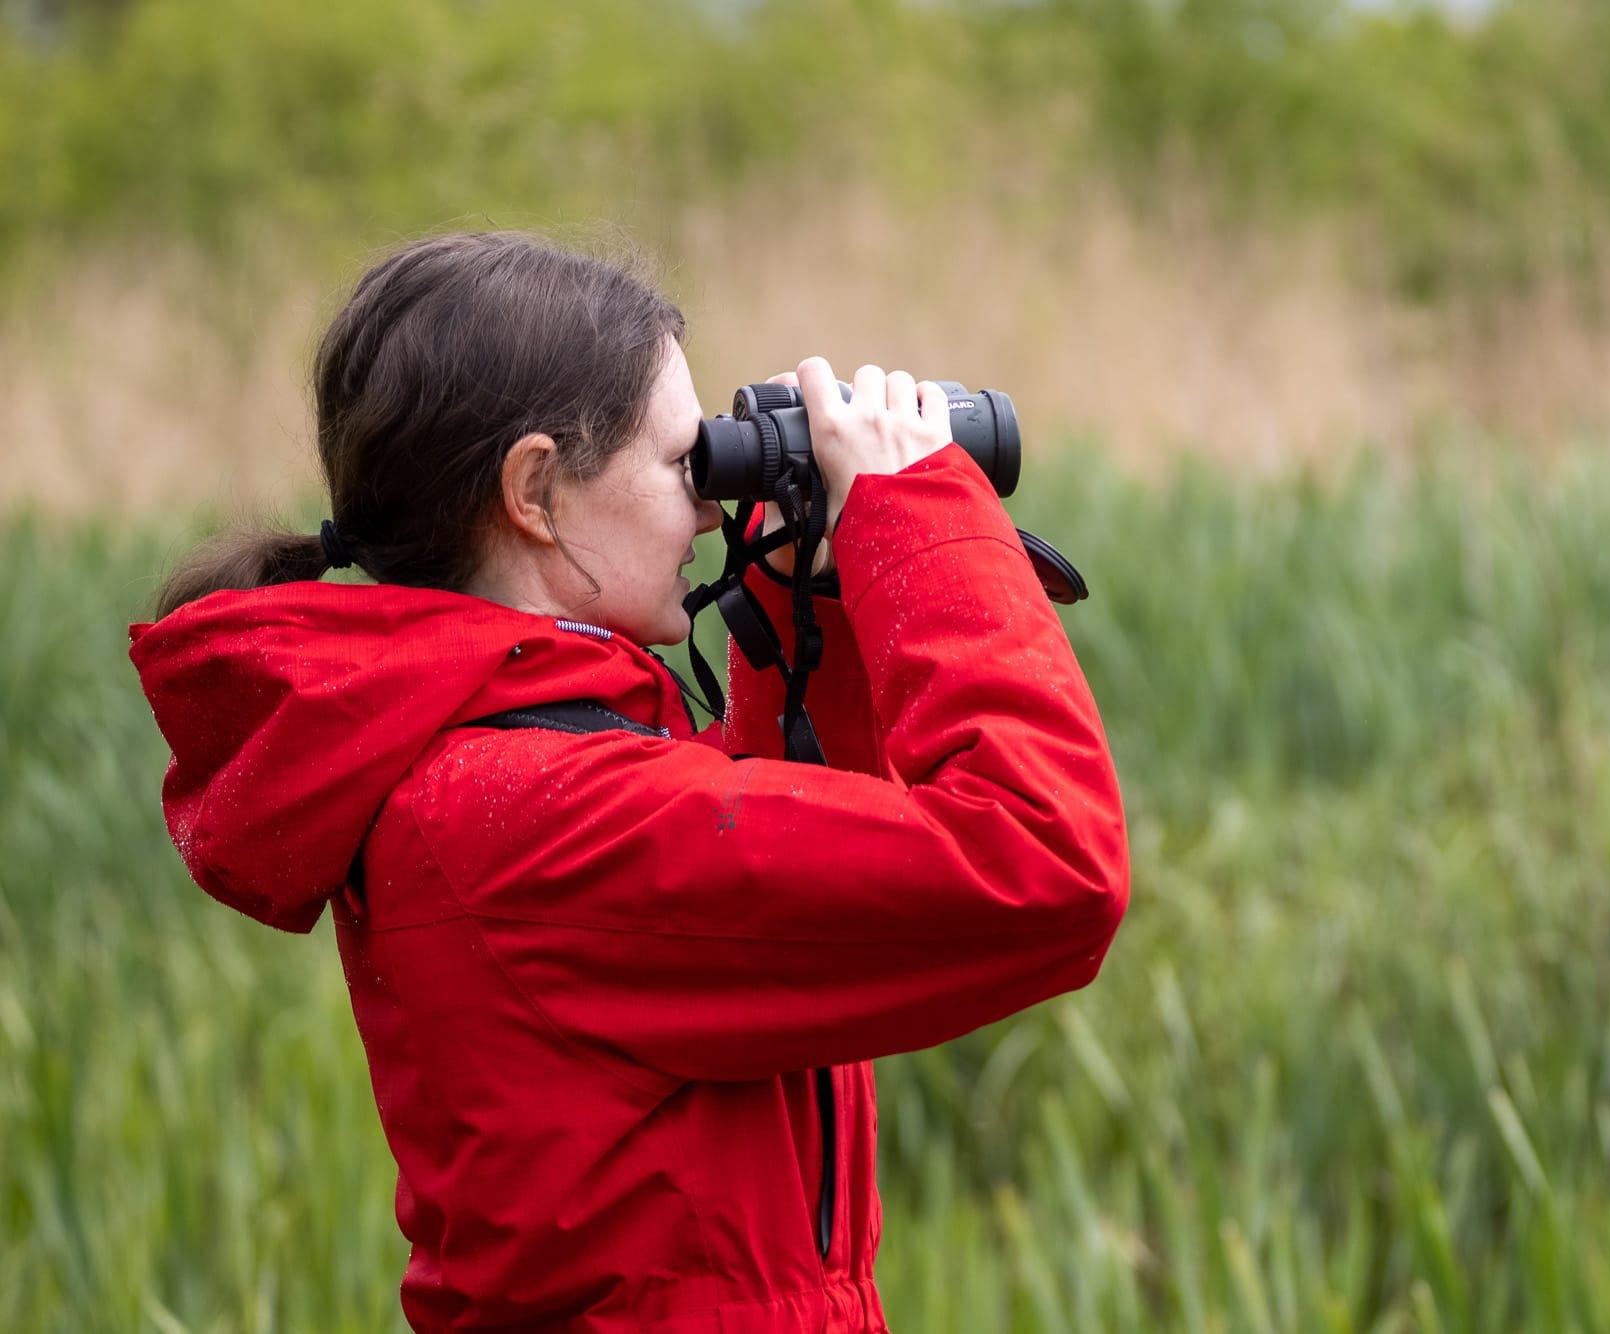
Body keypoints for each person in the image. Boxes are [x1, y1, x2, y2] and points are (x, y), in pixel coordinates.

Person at [126, 231, 1129, 1331]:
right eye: (683, 462)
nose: (710, 507)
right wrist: (921, 515)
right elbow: (1045, 862)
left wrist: (816, 606)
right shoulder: (529, 810)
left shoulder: (513, 761)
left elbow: (789, 909)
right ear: (536, 490)